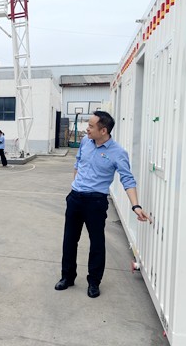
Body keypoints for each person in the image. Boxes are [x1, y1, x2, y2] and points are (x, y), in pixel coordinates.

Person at [55, 111, 150, 299]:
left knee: (97, 243)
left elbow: (127, 179)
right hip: (75, 199)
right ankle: (67, 277)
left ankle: (94, 282)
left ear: (103, 130)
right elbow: (78, 163)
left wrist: (136, 206)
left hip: (96, 202)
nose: (87, 129)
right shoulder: (85, 142)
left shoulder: (118, 153)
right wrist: (75, 186)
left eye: (91, 126)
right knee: (69, 240)